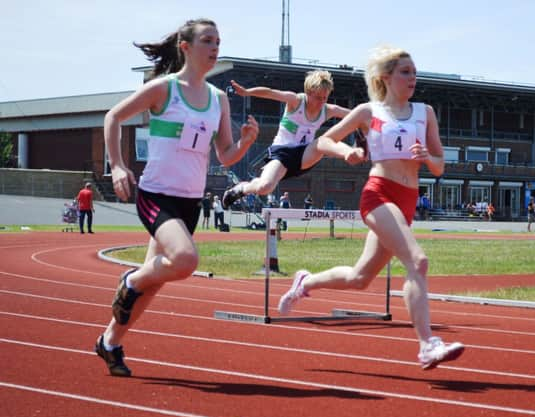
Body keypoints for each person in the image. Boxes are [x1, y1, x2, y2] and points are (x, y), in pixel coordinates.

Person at [277, 46, 464, 370]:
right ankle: (427, 345)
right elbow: (322, 141)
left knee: (360, 277)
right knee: (417, 261)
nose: (412, 77)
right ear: (386, 78)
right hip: (378, 194)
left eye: (414, 71)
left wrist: (426, 158)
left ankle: (304, 283)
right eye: (405, 72)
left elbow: (439, 167)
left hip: (407, 199)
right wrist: (345, 152)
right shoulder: (369, 112)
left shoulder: (425, 112)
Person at [97, 18, 259, 377]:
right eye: (207, 41)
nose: (215, 48)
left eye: (218, 41)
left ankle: (110, 342)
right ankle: (131, 280)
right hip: (156, 194)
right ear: (185, 47)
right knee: (184, 260)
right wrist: (119, 166)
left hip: (190, 200)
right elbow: (113, 117)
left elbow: (226, 154)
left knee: (154, 287)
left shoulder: (218, 100)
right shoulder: (164, 89)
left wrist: (245, 141)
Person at [221, 71, 350, 208]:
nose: (322, 102)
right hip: (282, 153)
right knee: (265, 187)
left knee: (322, 142)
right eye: (318, 98)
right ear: (309, 92)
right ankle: (240, 189)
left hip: (304, 155)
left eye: (325, 98)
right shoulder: (295, 101)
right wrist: (247, 92)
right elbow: (270, 92)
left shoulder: (328, 110)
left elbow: (356, 114)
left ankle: (351, 152)